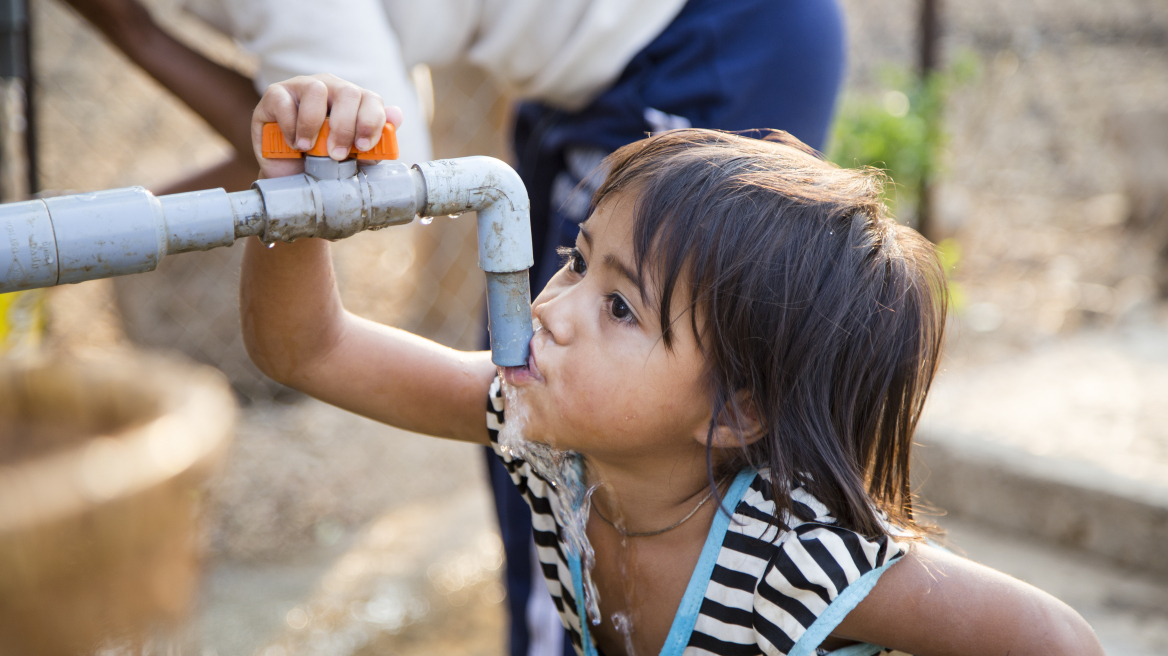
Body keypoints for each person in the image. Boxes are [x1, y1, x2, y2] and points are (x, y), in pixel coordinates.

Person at [240, 74, 1104, 656]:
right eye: (577, 261)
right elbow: (307, 349)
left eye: (619, 307)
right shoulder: (546, 439)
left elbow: (1057, 639)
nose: (548, 307)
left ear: (736, 411)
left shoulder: (794, 566)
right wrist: (291, 187)